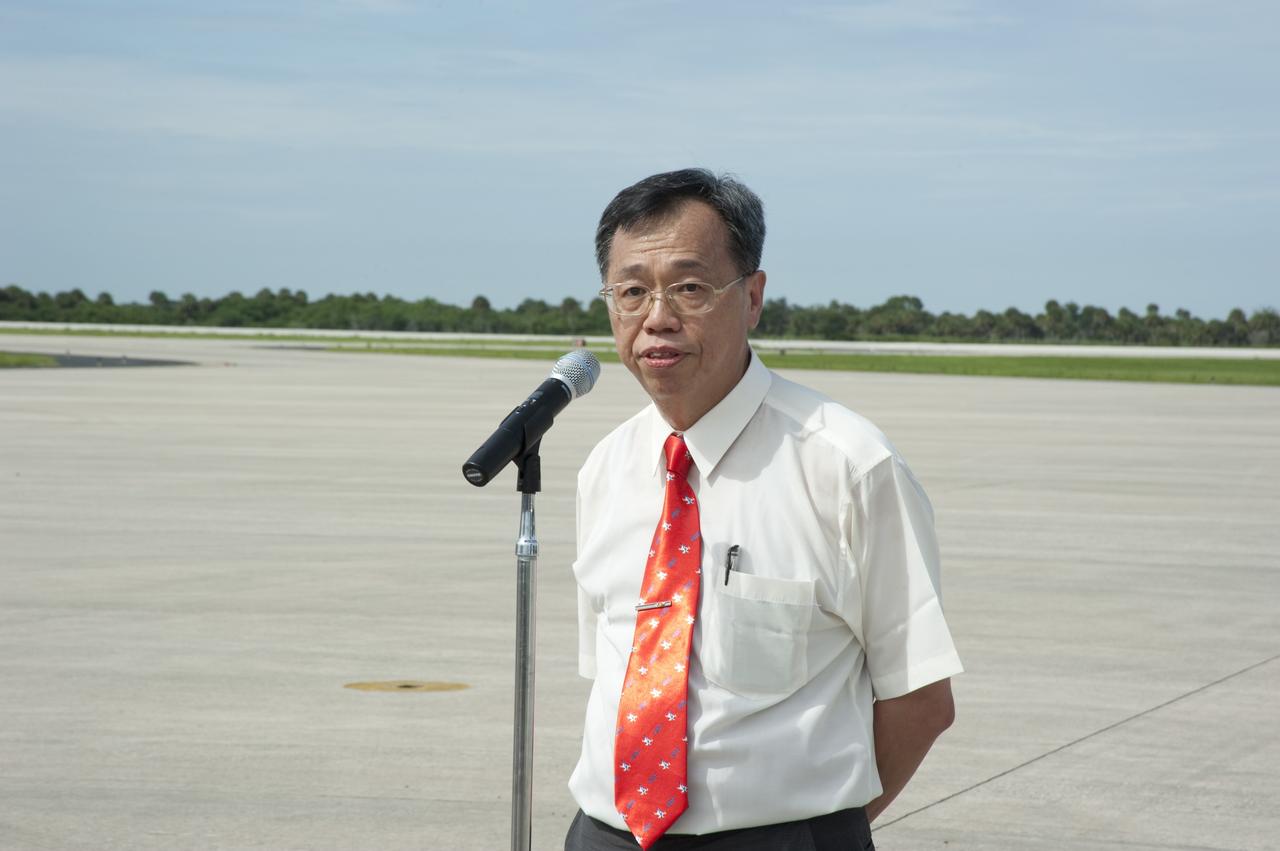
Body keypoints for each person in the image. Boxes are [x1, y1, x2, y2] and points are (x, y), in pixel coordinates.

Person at [565, 169, 962, 851]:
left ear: (752, 297)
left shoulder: (845, 465)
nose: (656, 315)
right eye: (631, 290)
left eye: (689, 287)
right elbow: (610, 677)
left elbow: (921, 700)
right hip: (604, 832)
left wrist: (823, 829)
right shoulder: (606, 467)